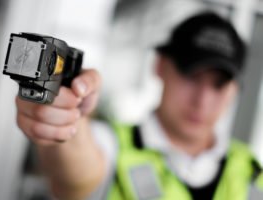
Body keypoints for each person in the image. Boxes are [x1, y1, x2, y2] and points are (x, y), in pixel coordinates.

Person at [15, 12, 263, 200]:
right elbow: (74, 174)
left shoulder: (253, 172)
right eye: (191, 76)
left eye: (219, 84)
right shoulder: (112, 144)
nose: (203, 100)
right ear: (160, 66)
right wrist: (69, 119)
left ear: (235, 90)